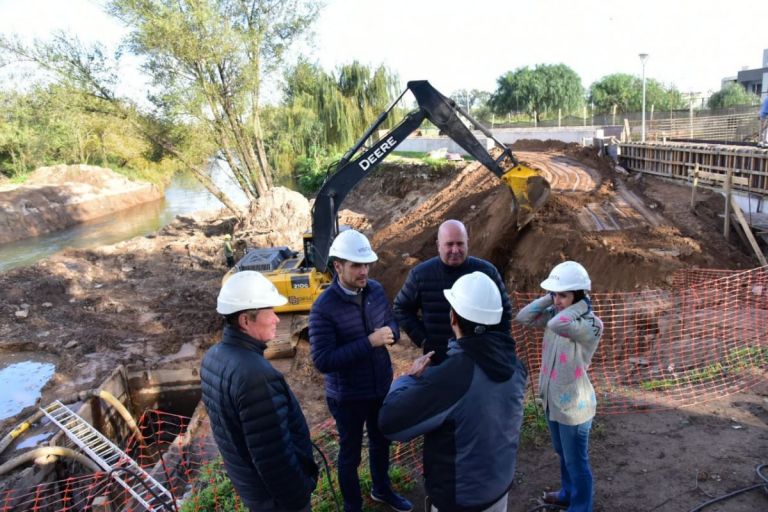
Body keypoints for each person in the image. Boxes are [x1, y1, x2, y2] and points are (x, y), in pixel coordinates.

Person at [379, 272, 527, 512]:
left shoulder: (454, 376)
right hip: (498, 488)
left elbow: (390, 422)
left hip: (460, 499)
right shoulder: (515, 364)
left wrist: (408, 379)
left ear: (453, 318)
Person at [308, 229, 413, 512]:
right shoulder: (323, 309)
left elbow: (391, 323)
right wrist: (369, 342)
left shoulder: (376, 290)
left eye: (366, 264)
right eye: (356, 265)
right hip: (348, 397)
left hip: (379, 386)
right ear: (338, 266)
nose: (364, 270)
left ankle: (382, 490)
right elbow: (323, 360)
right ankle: (353, 507)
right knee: (350, 455)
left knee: (381, 442)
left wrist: (391, 333)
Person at [201, 271, 318, 512]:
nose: (277, 319)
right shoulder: (255, 376)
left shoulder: (213, 357)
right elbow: (274, 458)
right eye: (270, 312)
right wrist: (299, 497)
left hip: (254, 492)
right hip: (279, 501)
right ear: (245, 321)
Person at [514, 261, 604, 512]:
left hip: (575, 407)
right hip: (553, 401)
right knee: (564, 455)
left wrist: (579, 305)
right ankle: (567, 493)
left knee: (577, 462)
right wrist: (551, 297)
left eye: (563, 295)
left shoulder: (590, 324)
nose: (557, 300)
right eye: (555, 294)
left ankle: (581, 506)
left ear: (579, 294)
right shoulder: (557, 312)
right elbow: (523, 317)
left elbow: (557, 325)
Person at [394, 219, 512, 365]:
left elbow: (504, 312)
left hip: (481, 360)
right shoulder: (420, 275)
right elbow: (401, 308)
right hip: (440, 360)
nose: (455, 250)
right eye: (449, 244)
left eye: (460, 243)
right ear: (438, 245)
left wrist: (499, 347)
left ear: (467, 243)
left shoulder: (487, 272)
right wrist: (424, 340)